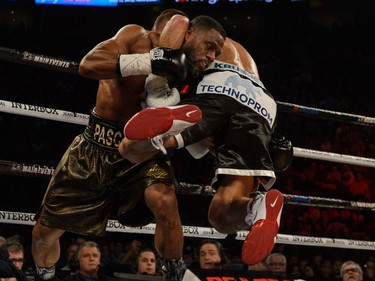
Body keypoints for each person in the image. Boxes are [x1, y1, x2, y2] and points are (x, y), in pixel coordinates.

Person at [31, 9, 226, 281]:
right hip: (96, 145)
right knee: (44, 233)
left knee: (165, 202)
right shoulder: (135, 36)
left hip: (143, 150)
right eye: (210, 47)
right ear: (186, 32)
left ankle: (174, 273)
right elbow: (88, 65)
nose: (212, 56)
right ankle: (45, 274)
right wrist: (152, 62)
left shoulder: (192, 72)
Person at [119, 35, 291, 265]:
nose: (210, 54)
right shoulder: (240, 53)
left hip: (214, 91)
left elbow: (173, 29)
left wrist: (155, 89)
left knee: (129, 149)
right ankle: (256, 208)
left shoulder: (192, 31)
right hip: (262, 106)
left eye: (212, 50)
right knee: (221, 215)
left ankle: (165, 124)